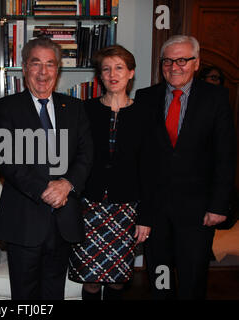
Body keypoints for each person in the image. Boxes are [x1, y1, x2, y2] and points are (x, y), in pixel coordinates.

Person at [135, 35, 236, 300]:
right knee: (160, 276)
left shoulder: (215, 98)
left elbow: (224, 155)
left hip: (198, 211)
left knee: (192, 278)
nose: (173, 66)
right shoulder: (146, 98)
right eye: (167, 61)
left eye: (182, 60)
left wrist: (218, 205)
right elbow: (141, 157)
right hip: (156, 210)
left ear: (196, 63)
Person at [0, 37, 93, 300]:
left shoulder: (74, 108)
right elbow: (6, 160)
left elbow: (85, 154)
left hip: (63, 221)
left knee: (54, 292)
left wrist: (67, 184)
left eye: (50, 64)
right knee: (24, 296)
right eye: (36, 63)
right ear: (25, 68)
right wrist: (46, 190)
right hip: (24, 220)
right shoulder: (6, 107)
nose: (43, 72)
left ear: (57, 70)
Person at [68, 45, 154, 300]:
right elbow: (73, 158)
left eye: (119, 68)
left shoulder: (146, 113)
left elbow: (151, 169)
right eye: (106, 69)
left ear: (131, 73)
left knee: (117, 281)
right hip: (87, 207)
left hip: (127, 209)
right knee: (90, 280)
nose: (112, 74)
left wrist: (146, 216)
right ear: (100, 76)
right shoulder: (84, 110)